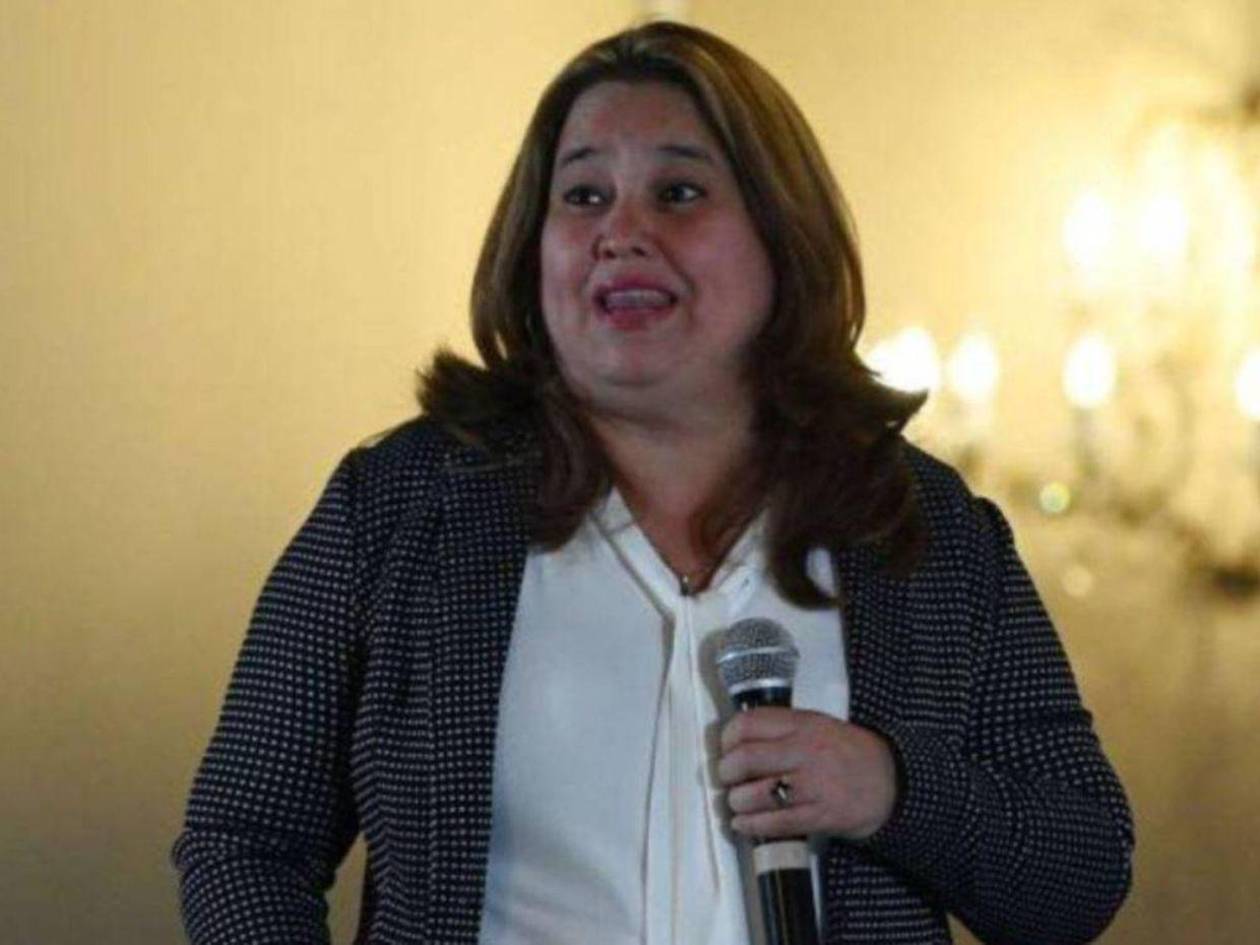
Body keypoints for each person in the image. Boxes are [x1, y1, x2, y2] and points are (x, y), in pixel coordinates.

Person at [171, 19, 1133, 945]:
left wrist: (893, 789)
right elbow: (242, 841)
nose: (620, 232)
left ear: (781, 236)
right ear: (534, 244)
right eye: (583, 196)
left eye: (678, 192)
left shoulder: (921, 529)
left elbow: (1081, 872)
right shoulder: (402, 504)